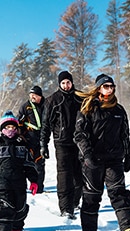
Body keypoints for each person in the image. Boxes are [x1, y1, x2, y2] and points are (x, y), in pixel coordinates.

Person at [73, 74, 130, 231]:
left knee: (119, 194)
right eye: (106, 86)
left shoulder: (119, 110)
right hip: (92, 160)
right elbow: (79, 135)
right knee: (92, 196)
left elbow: (125, 135)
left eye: (112, 86)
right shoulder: (88, 108)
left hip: (114, 159)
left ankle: (128, 229)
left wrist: (128, 155)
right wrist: (87, 155)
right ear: (99, 88)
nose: (110, 89)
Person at [40, 70, 83, 220]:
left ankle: (75, 202)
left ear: (72, 83)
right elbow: (46, 125)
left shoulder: (80, 98)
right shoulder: (52, 100)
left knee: (80, 176)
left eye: (68, 82)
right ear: (59, 84)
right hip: (62, 143)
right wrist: (43, 145)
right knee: (65, 176)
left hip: (80, 142)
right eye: (63, 83)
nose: (66, 85)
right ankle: (66, 209)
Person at [17, 86, 46, 193]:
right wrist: (19, 136)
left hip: (41, 139)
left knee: (40, 164)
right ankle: (23, 187)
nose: (33, 97)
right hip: (28, 140)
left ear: (40, 96)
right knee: (26, 164)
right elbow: (18, 122)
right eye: (31, 95)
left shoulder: (45, 105)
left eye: (35, 95)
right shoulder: (25, 107)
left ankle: (39, 188)